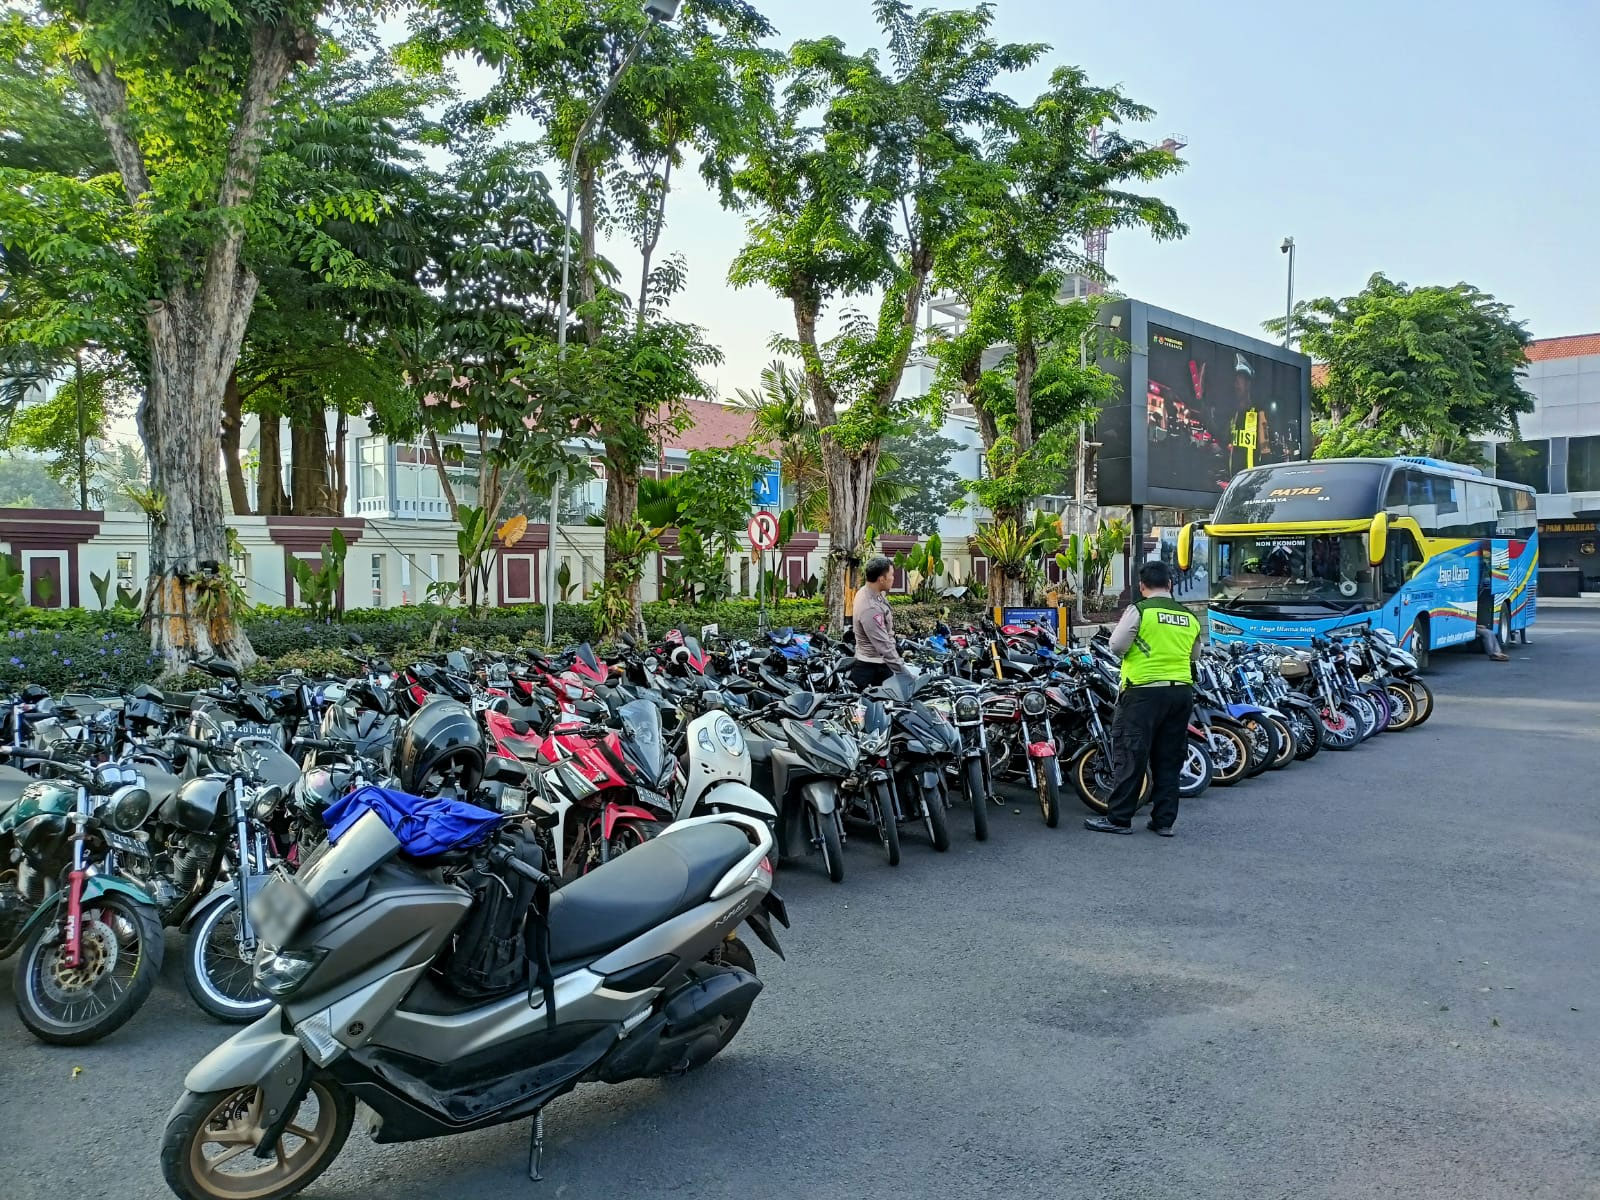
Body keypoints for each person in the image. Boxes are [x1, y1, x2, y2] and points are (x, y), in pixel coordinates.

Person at [1084, 561, 1203, 838]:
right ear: (1170, 585)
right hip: (1181, 692)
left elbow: (1116, 646)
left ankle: (1119, 819)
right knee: (1169, 758)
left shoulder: (1139, 610)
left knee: (1131, 754)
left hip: (1143, 692)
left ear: (1142, 586)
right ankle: (1163, 821)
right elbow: (1195, 655)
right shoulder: (1188, 615)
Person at [848, 557, 906, 689]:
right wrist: (904, 673)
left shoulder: (871, 591)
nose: (893, 578)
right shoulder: (870, 607)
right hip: (873, 669)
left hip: (878, 664)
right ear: (881, 579)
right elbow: (883, 646)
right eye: (891, 575)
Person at [1476, 563, 1508, 662]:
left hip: (1475, 625)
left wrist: (1478, 625)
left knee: (1490, 632)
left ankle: (1498, 652)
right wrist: (1477, 626)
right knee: (1487, 633)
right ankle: (1492, 654)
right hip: (1474, 626)